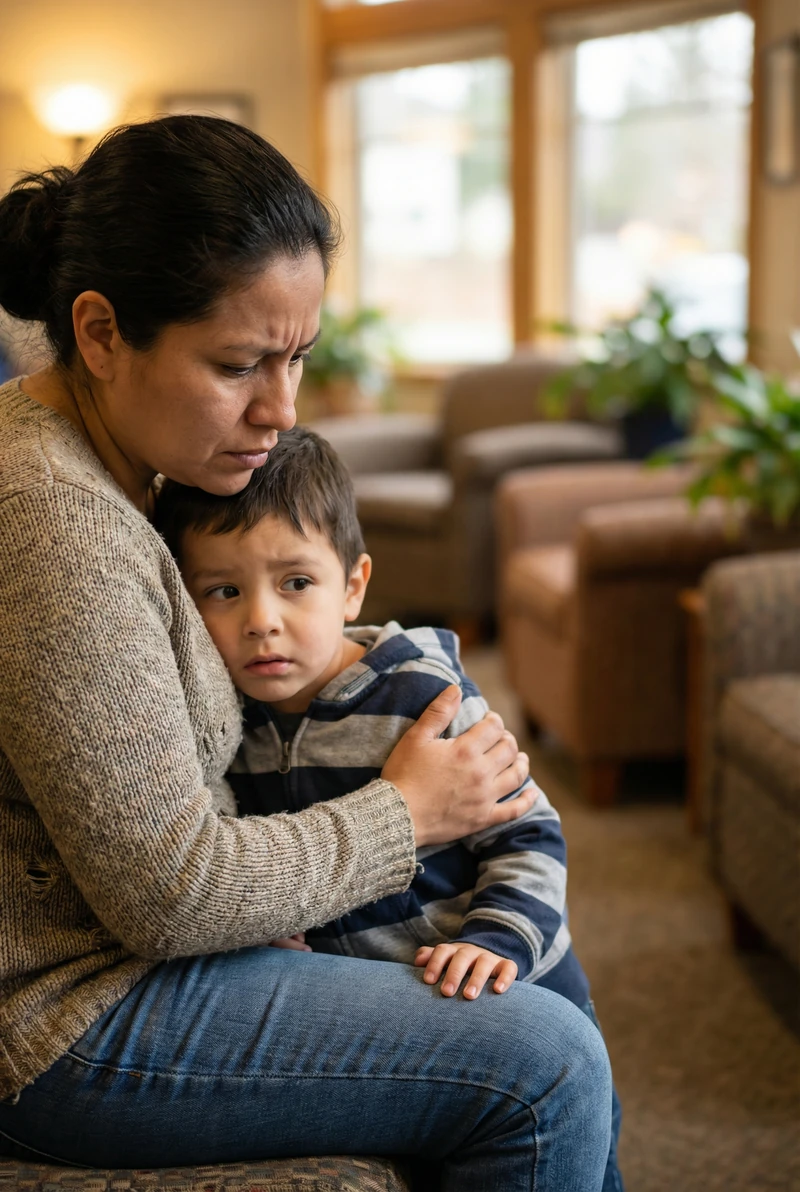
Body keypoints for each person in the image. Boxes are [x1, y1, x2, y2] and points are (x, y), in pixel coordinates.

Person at [0, 115, 612, 1190]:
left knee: (540, 981)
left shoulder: (127, 455)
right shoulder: (56, 524)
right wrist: (409, 811)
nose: (280, 410)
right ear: (98, 333)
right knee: (544, 1065)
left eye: (296, 357)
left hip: (131, 957)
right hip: (66, 1014)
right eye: (238, 363)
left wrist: (406, 691)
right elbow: (171, 893)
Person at [155, 425, 624, 1191]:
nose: (261, 620)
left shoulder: (421, 697)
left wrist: (496, 941)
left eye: (295, 583)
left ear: (354, 584)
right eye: (224, 591)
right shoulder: (230, 718)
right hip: (395, 1004)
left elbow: (530, 833)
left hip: (512, 981)